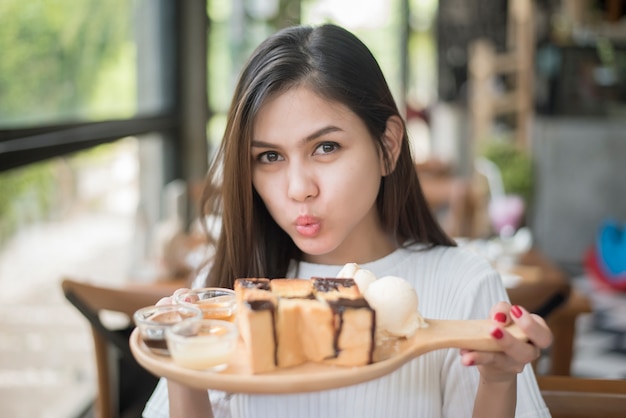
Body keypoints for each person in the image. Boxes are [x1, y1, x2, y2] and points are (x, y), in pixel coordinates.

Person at [143, 23, 552, 418]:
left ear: (388, 147)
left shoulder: (463, 285)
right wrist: (181, 366)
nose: (298, 188)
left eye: (325, 147)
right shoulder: (220, 296)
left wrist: (498, 383)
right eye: (269, 157)